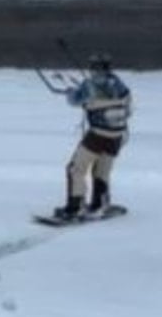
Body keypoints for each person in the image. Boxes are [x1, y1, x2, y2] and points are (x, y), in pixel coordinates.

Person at [54, 53, 133, 220]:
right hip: (117, 137)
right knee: (102, 171)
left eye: (94, 67)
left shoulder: (89, 84)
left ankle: (75, 207)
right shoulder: (119, 83)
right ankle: (101, 203)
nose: (93, 71)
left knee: (75, 169)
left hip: (97, 136)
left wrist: (71, 93)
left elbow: (74, 101)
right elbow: (128, 107)